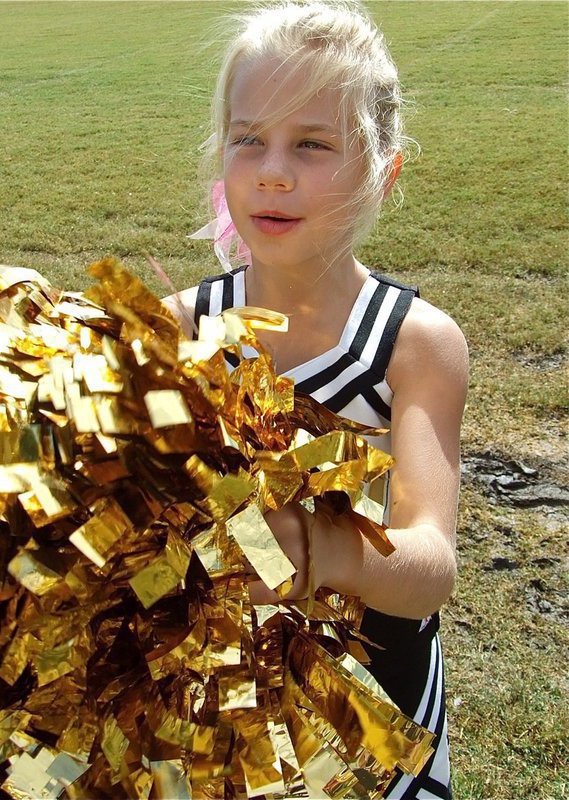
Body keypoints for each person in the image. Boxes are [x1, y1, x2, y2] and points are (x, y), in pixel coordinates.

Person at [163, 2, 468, 797]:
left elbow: (429, 566)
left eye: (312, 143)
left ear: (382, 168)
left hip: (366, 697)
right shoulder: (183, 325)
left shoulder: (413, 344)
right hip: (218, 690)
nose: (272, 169)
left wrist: (316, 552)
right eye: (248, 137)